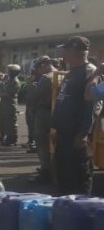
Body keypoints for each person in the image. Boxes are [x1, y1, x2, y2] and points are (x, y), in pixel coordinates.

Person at [52, 36, 97, 195]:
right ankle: (66, 208)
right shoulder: (72, 72)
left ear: (77, 51)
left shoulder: (90, 72)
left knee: (80, 175)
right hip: (64, 132)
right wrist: (56, 127)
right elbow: (63, 100)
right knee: (64, 174)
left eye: (66, 50)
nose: (63, 53)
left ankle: (82, 210)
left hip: (77, 134)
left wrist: (83, 133)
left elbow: (92, 105)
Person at [28, 56, 57, 183]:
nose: (38, 71)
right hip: (57, 112)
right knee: (55, 144)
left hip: (44, 113)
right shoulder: (62, 74)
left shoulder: (46, 78)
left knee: (42, 143)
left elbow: (33, 96)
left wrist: (30, 86)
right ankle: (54, 169)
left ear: (44, 65)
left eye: (38, 68)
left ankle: (46, 171)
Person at [0, 64, 22, 146]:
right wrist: (0, 83)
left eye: (9, 70)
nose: (7, 72)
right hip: (4, 104)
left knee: (11, 122)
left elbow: (9, 94)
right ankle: (3, 137)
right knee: (2, 121)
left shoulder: (15, 81)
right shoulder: (9, 80)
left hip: (10, 104)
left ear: (13, 72)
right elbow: (4, 88)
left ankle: (12, 140)